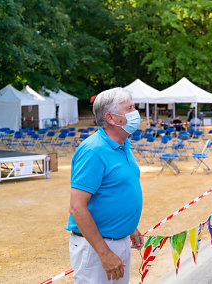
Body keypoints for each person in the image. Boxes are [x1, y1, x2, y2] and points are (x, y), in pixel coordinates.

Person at [65, 87, 144, 283]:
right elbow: (77, 207)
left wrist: (129, 227)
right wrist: (104, 253)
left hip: (119, 241)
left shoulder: (123, 144)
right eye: (129, 108)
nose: (136, 112)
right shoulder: (93, 150)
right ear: (110, 117)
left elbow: (116, 190)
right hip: (96, 248)